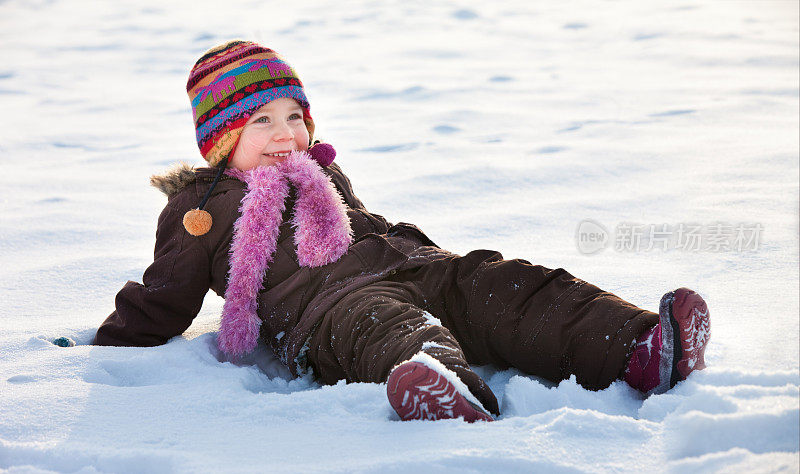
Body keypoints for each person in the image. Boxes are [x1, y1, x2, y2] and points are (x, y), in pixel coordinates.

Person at [93, 40, 710, 422]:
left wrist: (421, 251)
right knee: (388, 326)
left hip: (408, 266)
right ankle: (441, 387)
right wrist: (114, 339)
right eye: (262, 122)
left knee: (507, 286)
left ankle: (638, 345)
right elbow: (166, 292)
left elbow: (365, 225)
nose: (287, 135)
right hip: (326, 312)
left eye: (294, 117)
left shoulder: (323, 173)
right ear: (223, 138)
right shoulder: (203, 207)